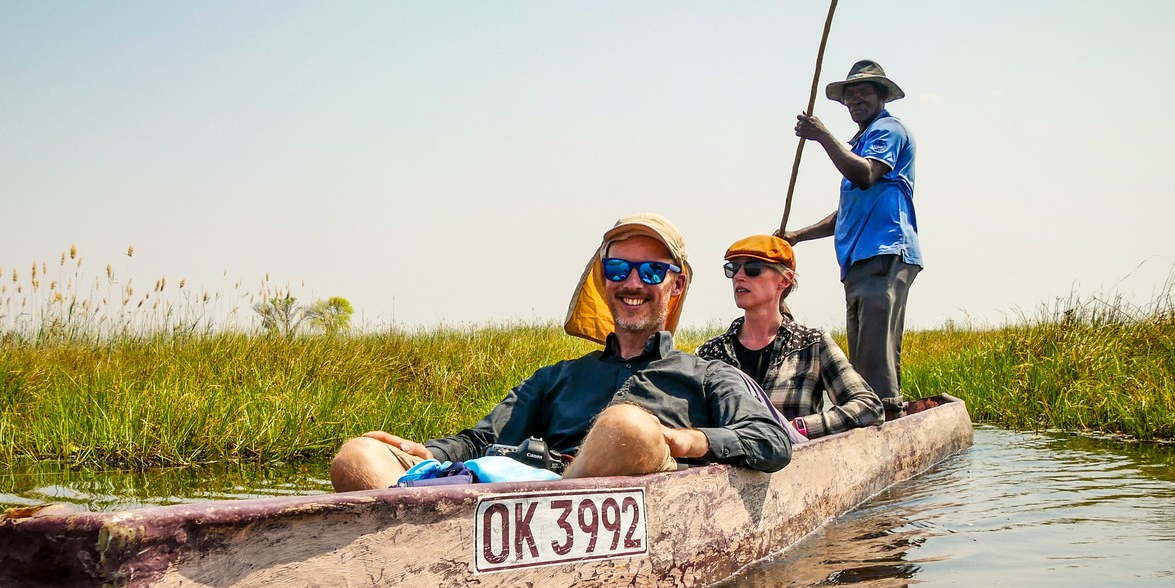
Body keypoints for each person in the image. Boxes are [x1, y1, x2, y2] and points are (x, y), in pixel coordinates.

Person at [329, 215, 794, 491]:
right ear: (605, 280)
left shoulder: (708, 374)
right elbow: (479, 440)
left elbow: (771, 440)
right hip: (521, 491)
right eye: (619, 268)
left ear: (677, 286)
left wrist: (686, 440)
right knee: (359, 457)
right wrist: (424, 452)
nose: (633, 283)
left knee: (627, 427)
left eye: (652, 272)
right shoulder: (556, 377)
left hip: (622, 507)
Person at [783, 59, 921, 418]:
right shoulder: (860, 142)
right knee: (862, 350)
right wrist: (797, 235)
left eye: (864, 93)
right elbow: (846, 212)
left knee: (876, 346)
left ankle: (882, 413)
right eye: (850, 95)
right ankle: (873, 410)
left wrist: (821, 135)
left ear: (881, 95)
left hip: (885, 250)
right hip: (858, 260)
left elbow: (864, 176)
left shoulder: (888, 130)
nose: (856, 100)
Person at [697, 234, 881, 438]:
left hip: (796, 464)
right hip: (727, 464)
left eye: (752, 268)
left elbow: (868, 407)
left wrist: (799, 428)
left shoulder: (812, 345)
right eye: (732, 268)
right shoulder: (710, 353)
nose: (739, 276)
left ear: (784, 280)